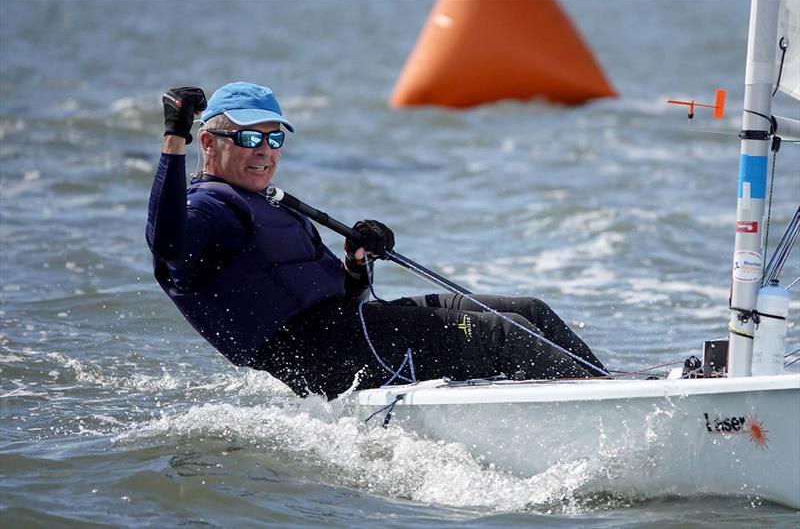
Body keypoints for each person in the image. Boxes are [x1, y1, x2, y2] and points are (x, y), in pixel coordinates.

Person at [147, 82, 607, 398]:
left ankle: (605, 386)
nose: (265, 151)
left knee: (528, 310)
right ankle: (603, 405)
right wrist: (174, 137)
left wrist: (355, 261)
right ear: (208, 143)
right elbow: (166, 243)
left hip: (355, 327)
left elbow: (347, 296)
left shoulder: (266, 202)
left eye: (273, 139)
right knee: (501, 334)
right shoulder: (207, 209)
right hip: (325, 358)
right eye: (248, 137)